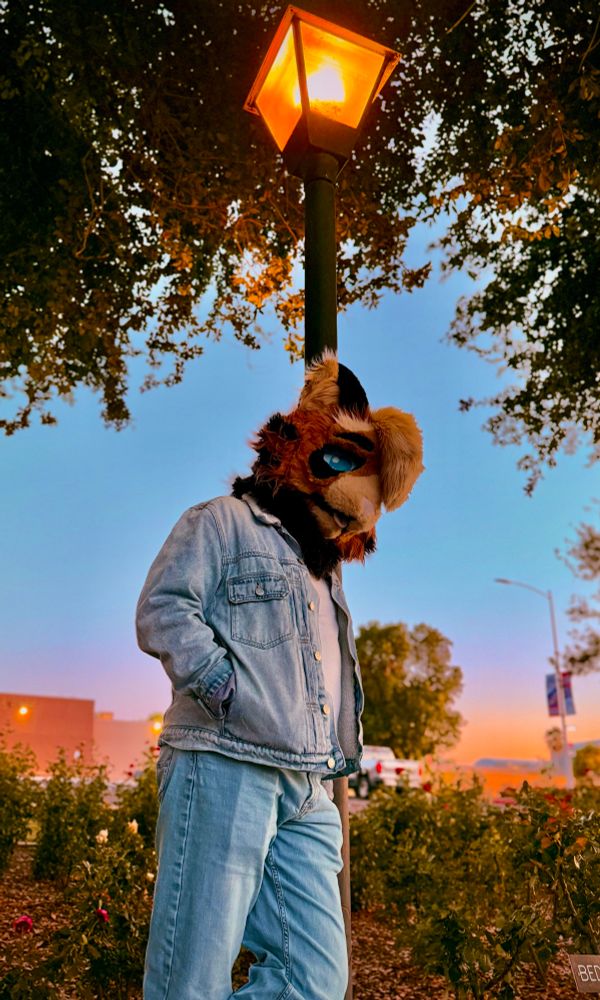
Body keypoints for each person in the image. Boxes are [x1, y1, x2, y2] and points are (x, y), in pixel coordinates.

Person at [136, 352, 423, 1000]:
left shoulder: (322, 565)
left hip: (306, 784)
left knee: (316, 979)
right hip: (225, 762)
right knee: (193, 978)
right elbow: (163, 609)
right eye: (349, 460)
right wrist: (226, 692)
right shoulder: (222, 522)